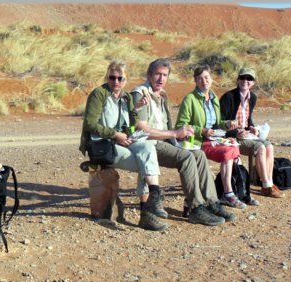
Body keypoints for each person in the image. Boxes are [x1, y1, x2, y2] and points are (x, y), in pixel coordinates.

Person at [130, 58, 235, 226]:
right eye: (157, 74)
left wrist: (178, 136)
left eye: (165, 75)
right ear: (149, 75)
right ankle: (196, 208)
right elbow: (142, 130)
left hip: (165, 142)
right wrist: (174, 133)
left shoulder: (162, 95)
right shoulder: (140, 93)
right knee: (186, 158)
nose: (161, 79)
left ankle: (211, 202)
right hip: (148, 144)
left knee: (199, 154)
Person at [79, 60, 167, 231]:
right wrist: (115, 135)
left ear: (126, 80)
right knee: (145, 162)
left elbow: (131, 124)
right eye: (112, 78)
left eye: (121, 78)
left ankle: (154, 194)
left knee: (147, 147)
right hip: (103, 144)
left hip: (123, 141)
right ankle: (146, 213)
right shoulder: (99, 94)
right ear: (107, 77)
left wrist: (137, 107)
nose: (116, 82)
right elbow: (90, 123)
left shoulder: (126, 97)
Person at [176, 65, 250, 209]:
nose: (204, 81)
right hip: (198, 141)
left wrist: (227, 124)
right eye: (200, 78)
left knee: (234, 147)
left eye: (207, 77)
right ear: (195, 81)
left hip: (213, 139)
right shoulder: (190, 99)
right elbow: (181, 124)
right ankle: (228, 193)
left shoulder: (214, 97)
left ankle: (226, 191)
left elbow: (217, 124)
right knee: (228, 151)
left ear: (211, 79)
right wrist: (202, 130)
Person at [220, 67, 285, 198]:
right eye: (243, 78)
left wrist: (252, 127)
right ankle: (266, 186)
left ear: (253, 82)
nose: (245, 81)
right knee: (260, 147)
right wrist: (235, 133)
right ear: (238, 80)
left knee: (269, 146)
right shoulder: (228, 97)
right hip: (232, 137)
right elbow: (220, 123)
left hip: (246, 135)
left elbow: (247, 119)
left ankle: (268, 183)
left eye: (249, 78)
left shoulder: (252, 98)